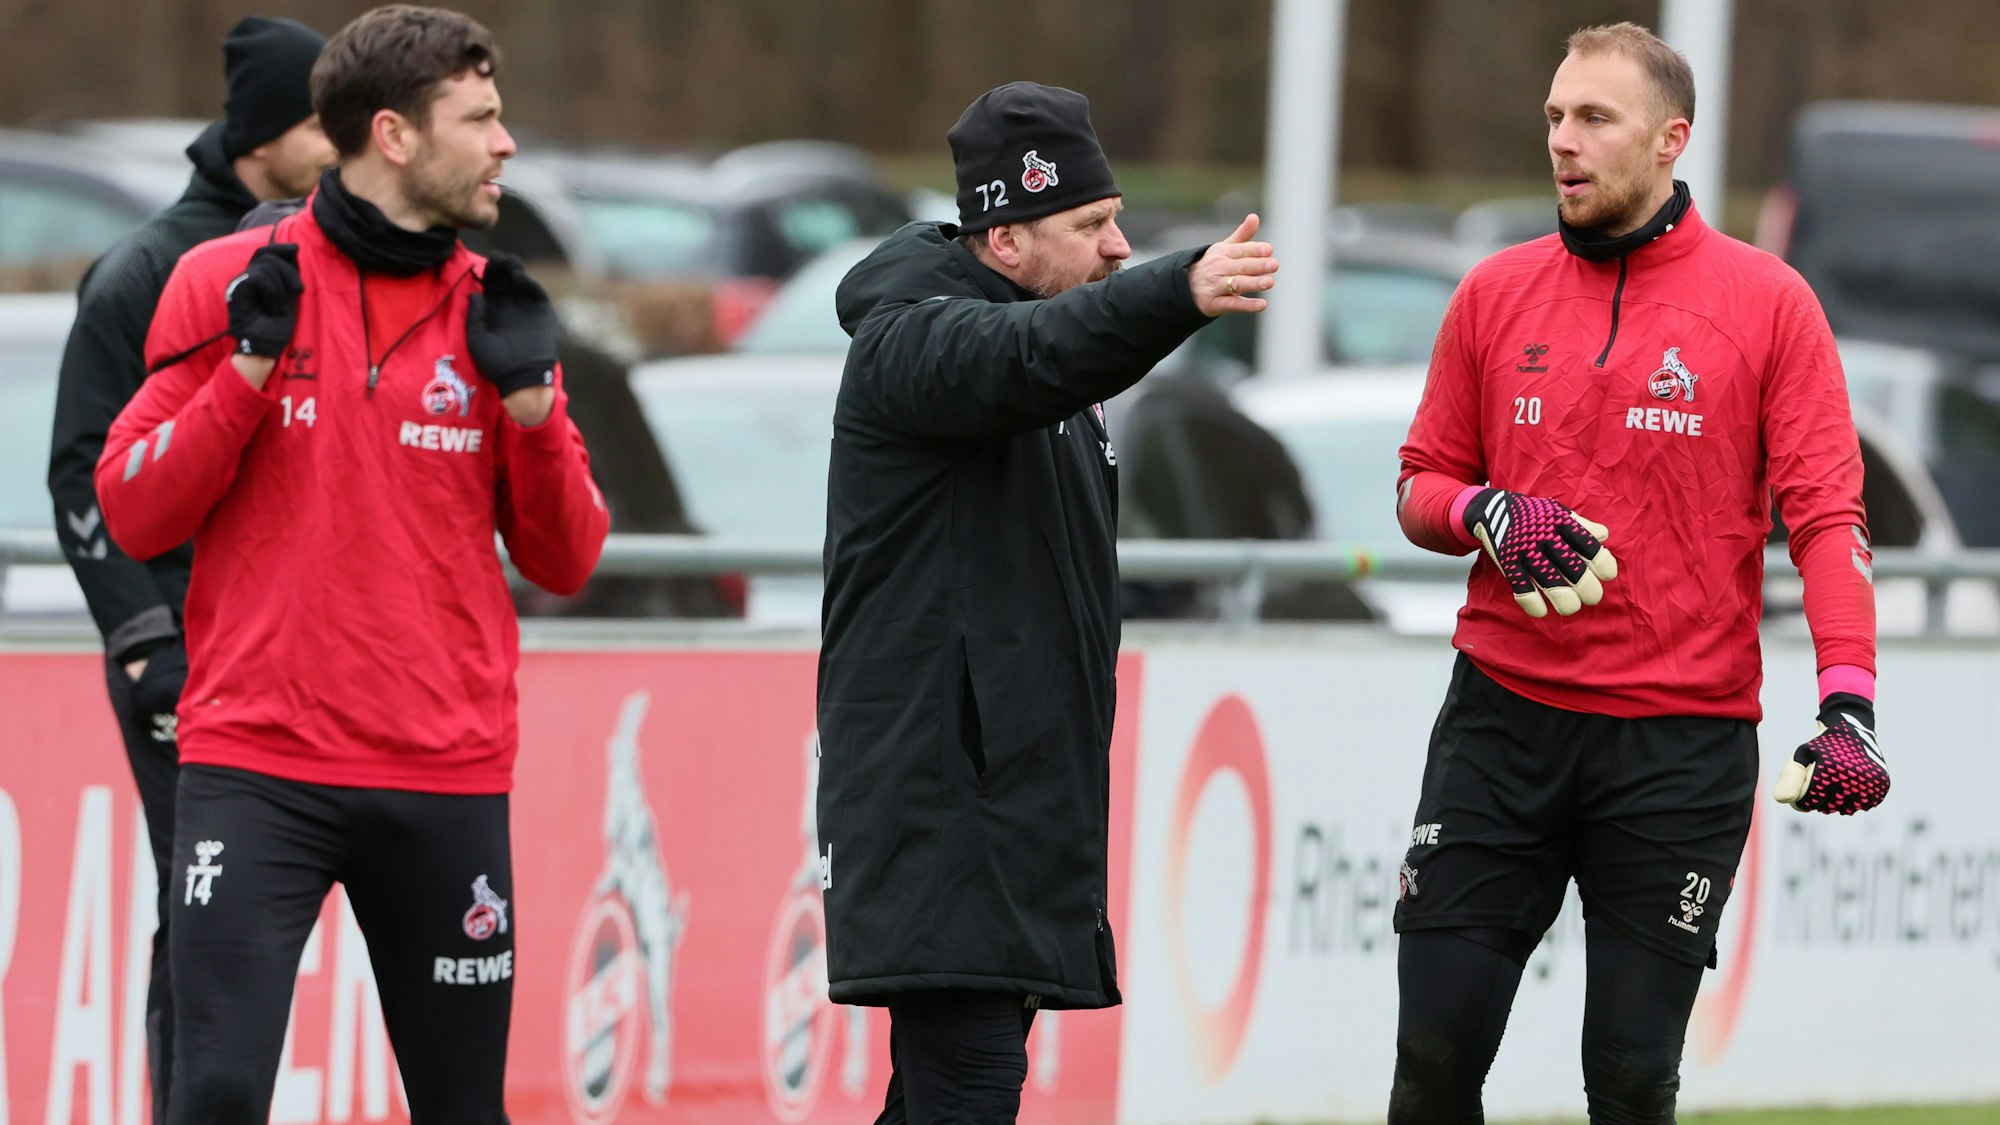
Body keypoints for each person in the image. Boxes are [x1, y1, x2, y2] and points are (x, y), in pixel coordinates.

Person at [93, 7, 608, 1122]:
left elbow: (568, 558)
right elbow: (132, 511)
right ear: (395, 134)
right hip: (256, 767)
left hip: (445, 774)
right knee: (215, 1092)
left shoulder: (499, 309)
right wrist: (243, 376)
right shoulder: (230, 282)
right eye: (480, 119)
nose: (506, 144)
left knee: (464, 1108)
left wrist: (532, 412)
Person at [1388, 22, 1887, 1123]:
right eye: (1554, 117)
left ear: (1670, 140)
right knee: (1429, 1067)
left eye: (1593, 119)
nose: (1562, 141)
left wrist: (1846, 705)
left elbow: (1826, 519)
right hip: (1499, 727)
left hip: (1677, 749)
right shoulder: (1490, 292)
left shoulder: (1769, 305)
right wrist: (1486, 511)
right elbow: (1421, 486)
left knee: (1626, 1081)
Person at [816, 81, 1278, 1125]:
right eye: (1090, 224)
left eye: (1116, 221)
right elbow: (1024, 362)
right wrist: (1176, 290)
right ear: (1007, 240)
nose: (1116, 247)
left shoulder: (1049, 366)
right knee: (969, 1086)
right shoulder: (911, 348)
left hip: (1012, 799)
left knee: (949, 1093)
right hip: (939, 799)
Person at [44, 15, 330, 1121]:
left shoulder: (328, 258)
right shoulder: (149, 271)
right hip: (183, 652)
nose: (340, 142)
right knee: (205, 913)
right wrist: (144, 641)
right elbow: (81, 470)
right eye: (317, 122)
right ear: (260, 134)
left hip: (286, 651)